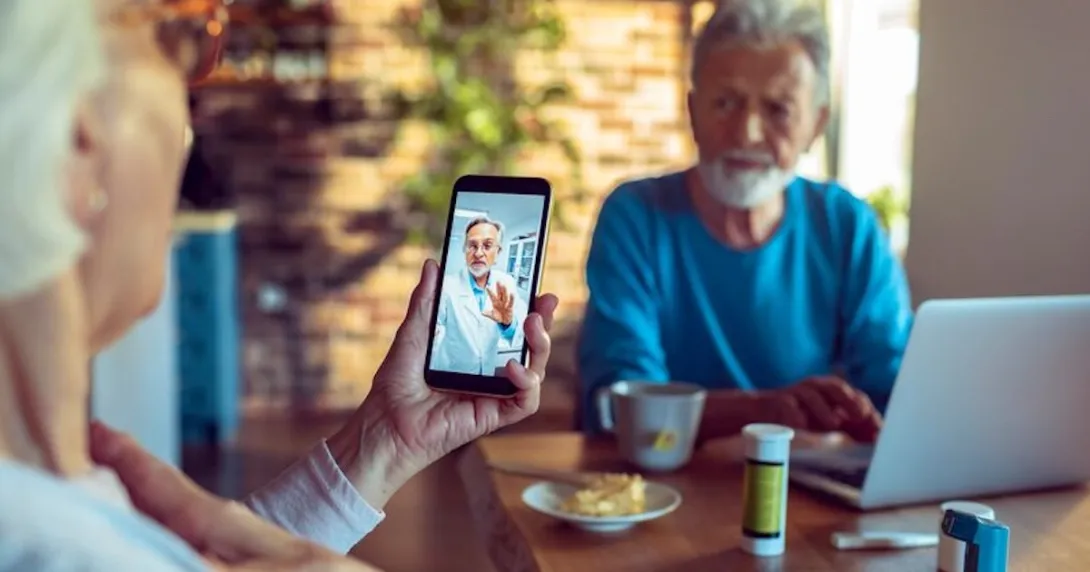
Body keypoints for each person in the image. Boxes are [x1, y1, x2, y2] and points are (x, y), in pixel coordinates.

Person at [0, 1, 557, 570]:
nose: (192, 119)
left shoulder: (46, 501)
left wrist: (385, 443)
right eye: (183, 38)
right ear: (74, 145)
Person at [577, 0, 913, 444]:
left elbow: (896, 389)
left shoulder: (847, 225)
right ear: (693, 112)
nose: (748, 133)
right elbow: (620, 402)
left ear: (816, 124)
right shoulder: (636, 216)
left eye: (778, 110)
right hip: (657, 490)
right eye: (726, 103)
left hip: (807, 493)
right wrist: (766, 411)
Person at [431, 216, 528, 375]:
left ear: (498, 252)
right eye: (472, 246)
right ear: (464, 251)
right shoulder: (446, 286)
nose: (478, 253)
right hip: (450, 372)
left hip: (486, 372)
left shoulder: (507, 283)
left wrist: (507, 323)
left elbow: (521, 332)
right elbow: (432, 331)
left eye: (488, 245)